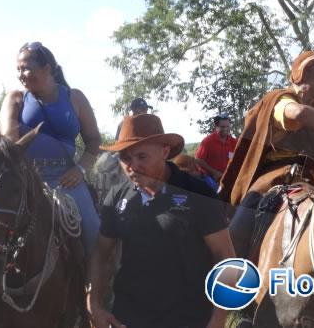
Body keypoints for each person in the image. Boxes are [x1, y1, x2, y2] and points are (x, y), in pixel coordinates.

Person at [87, 114, 235, 328]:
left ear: (165, 151)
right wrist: (94, 304)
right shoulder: (117, 197)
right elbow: (101, 252)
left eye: (142, 157)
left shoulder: (198, 194)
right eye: (125, 158)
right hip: (128, 318)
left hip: (188, 319)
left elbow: (225, 257)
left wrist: (218, 319)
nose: (133, 166)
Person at [220, 51, 314, 258]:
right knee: (236, 231)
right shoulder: (279, 100)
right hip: (276, 176)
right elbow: (299, 113)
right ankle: (231, 271)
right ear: (301, 75)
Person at [0, 41, 101, 256]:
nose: (21, 74)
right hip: (25, 179)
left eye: (26, 68)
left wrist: (80, 170)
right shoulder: (15, 99)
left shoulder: (75, 98)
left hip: (67, 179)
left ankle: (101, 287)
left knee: (94, 229)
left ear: (47, 69)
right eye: (18, 69)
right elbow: (9, 143)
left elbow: (93, 141)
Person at [195, 114, 237, 182]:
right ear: (216, 127)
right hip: (209, 178)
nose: (225, 129)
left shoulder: (234, 142)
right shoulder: (208, 141)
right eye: (222, 127)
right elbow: (198, 160)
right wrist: (214, 172)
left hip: (227, 178)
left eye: (227, 126)